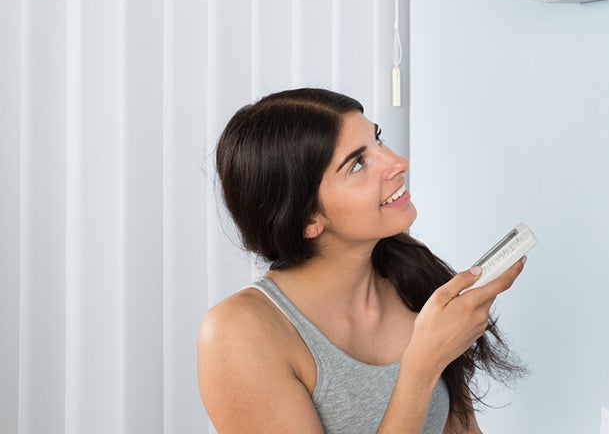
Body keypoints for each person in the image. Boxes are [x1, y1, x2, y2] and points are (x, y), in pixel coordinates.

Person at [198, 88, 525, 433]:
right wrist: (422, 364)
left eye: (378, 140)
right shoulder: (237, 333)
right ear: (308, 219)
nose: (399, 163)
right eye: (357, 164)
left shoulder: (411, 275)